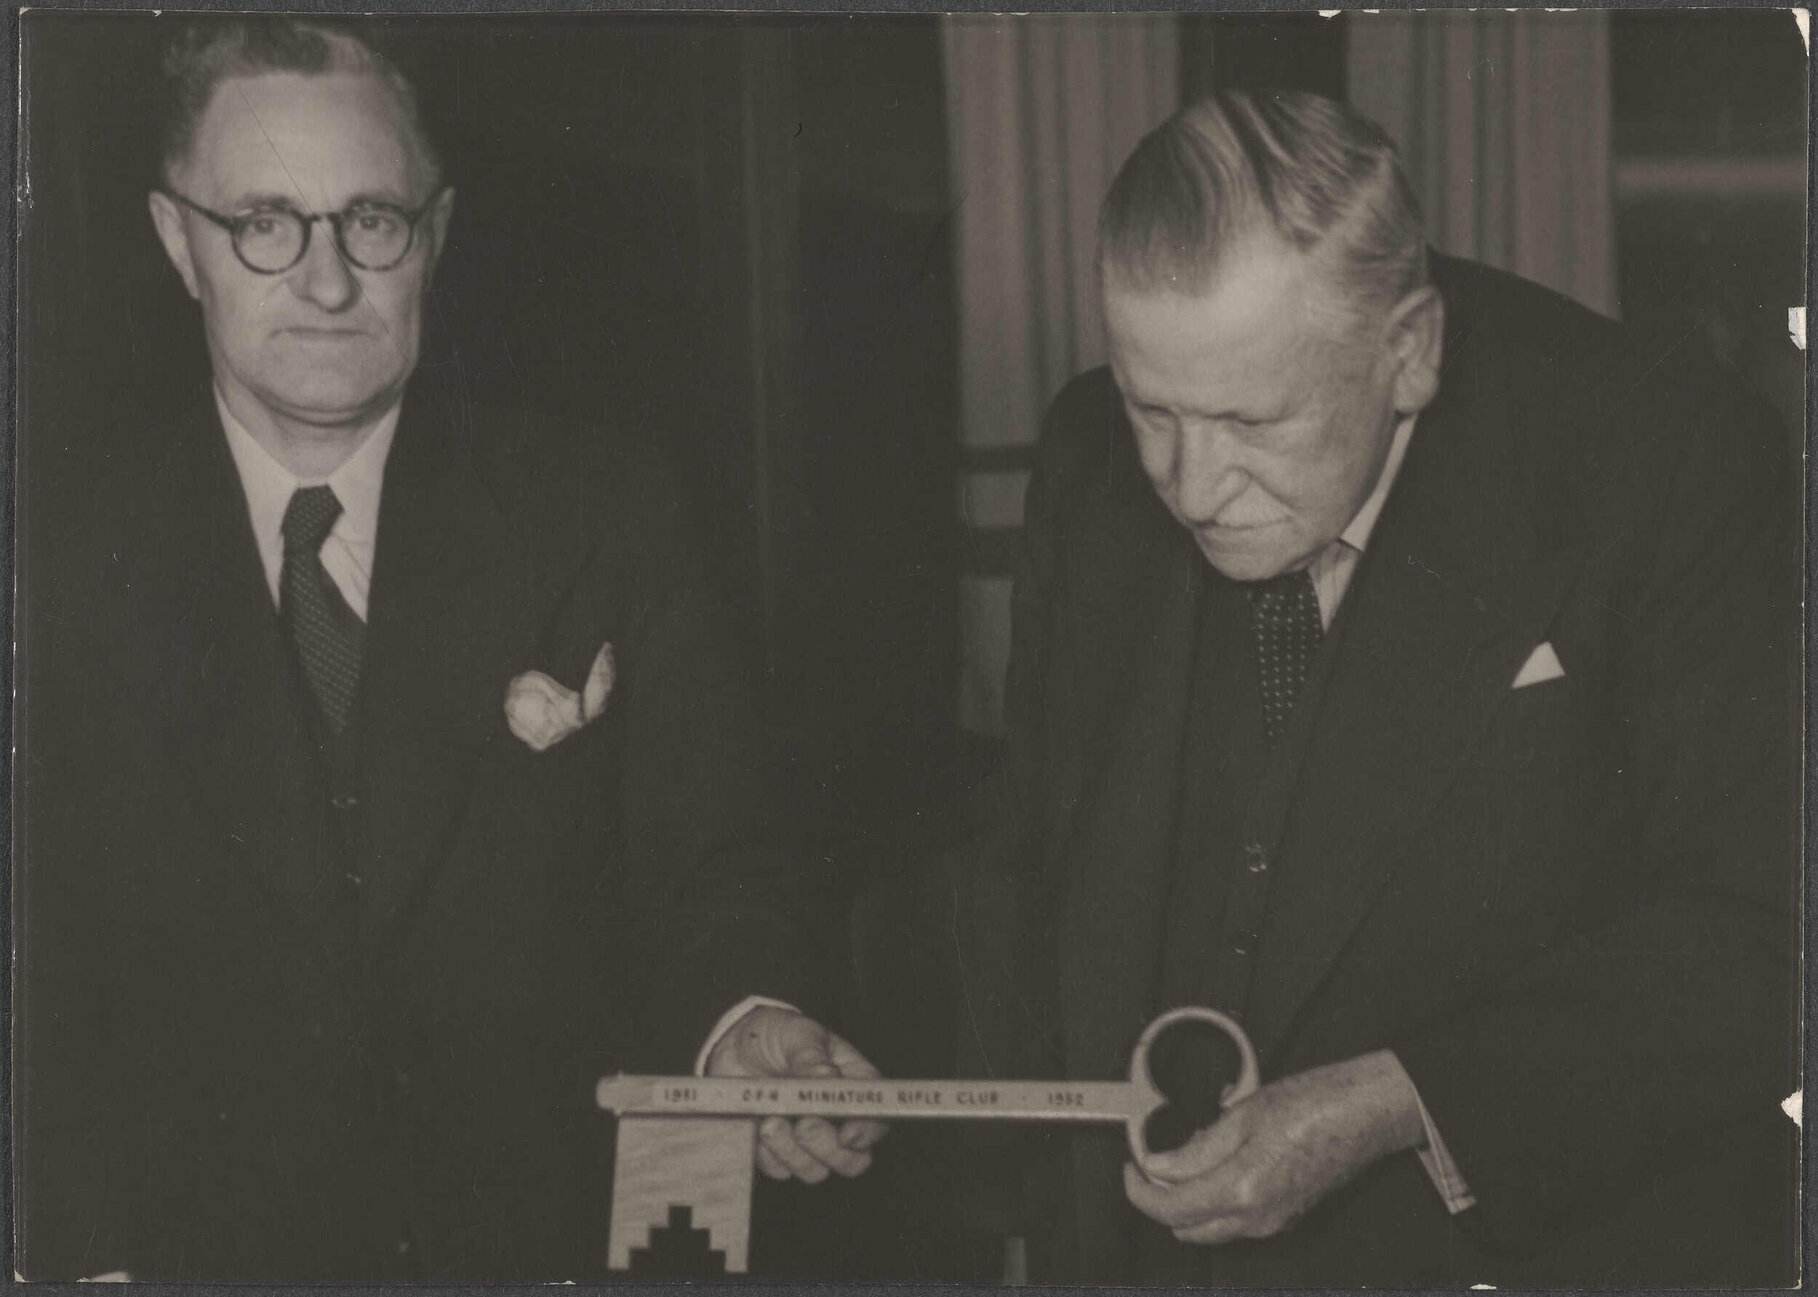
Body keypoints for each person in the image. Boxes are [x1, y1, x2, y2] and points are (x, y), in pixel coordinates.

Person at [16, 17, 881, 1282]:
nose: (325, 282)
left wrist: (746, 1022)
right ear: (176, 242)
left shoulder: (607, 512)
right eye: (263, 221)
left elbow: (716, 868)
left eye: (372, 220)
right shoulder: (48, 567)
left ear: (437, 232)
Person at [948, 89, 1798, 1287]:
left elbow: (1766, 929)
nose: (1189, 485)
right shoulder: (1089, 452)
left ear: (1409, 352)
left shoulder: (1664, 454)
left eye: (1252, 420)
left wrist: (1404, 1098)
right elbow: (1028, 866)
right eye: (1156, 409)